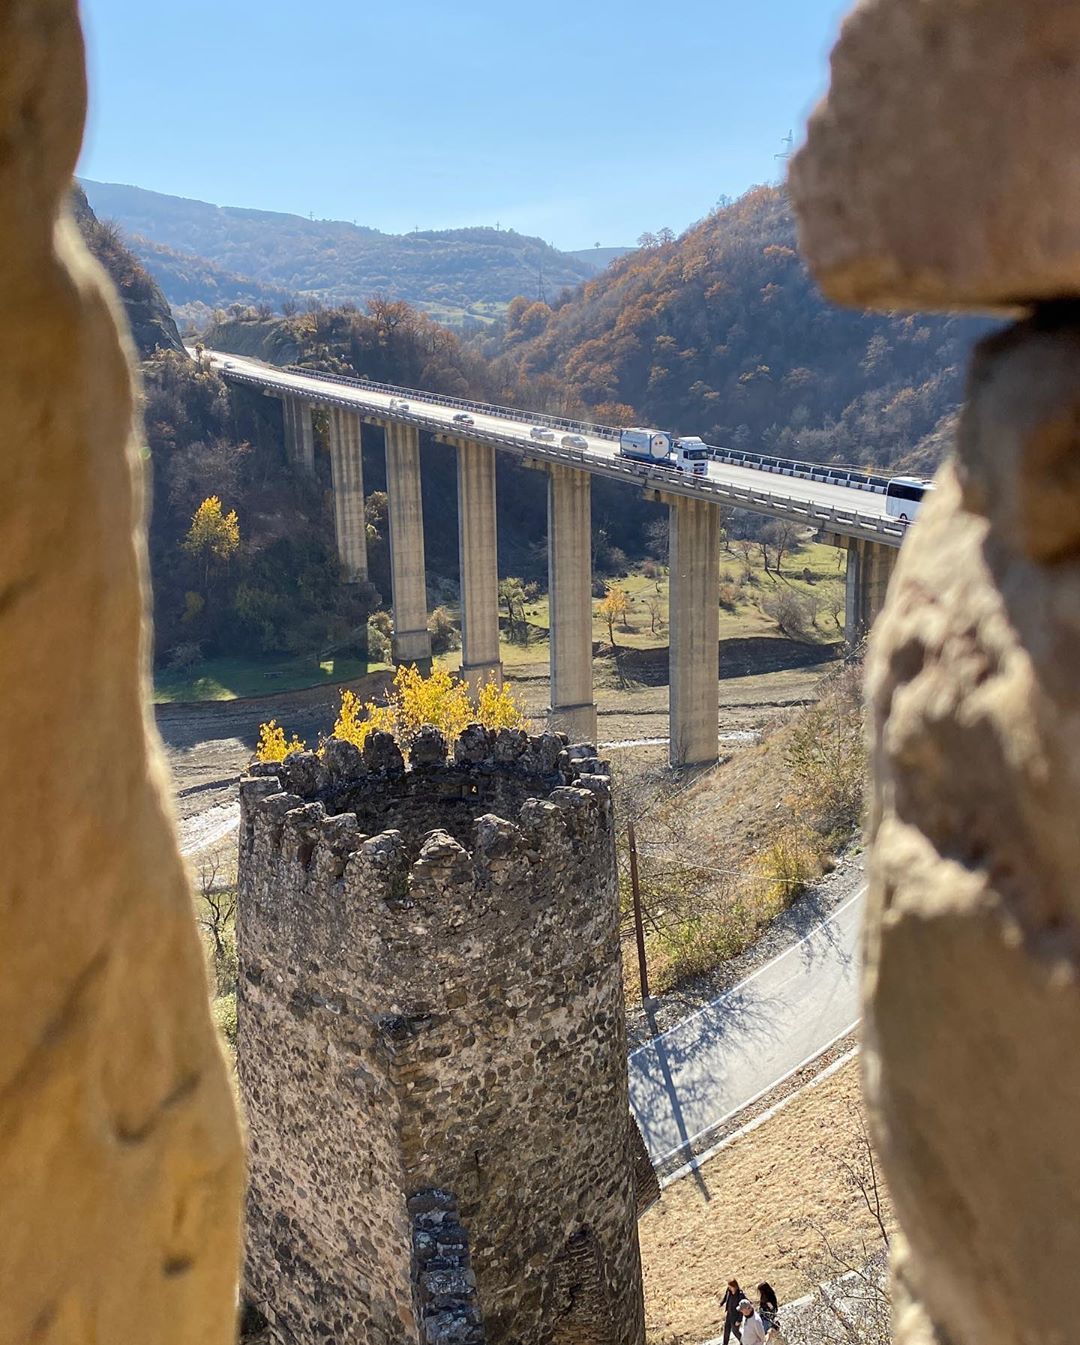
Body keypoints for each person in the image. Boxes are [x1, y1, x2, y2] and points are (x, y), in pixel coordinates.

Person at [720, 1279, 744, 1345]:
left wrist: (739, 1320)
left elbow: (742, 1309)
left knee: (735, 1331)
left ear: (735, 1286)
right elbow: (726, 1296)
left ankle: (743, 1342)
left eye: (731, 1287)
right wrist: (722, 1303)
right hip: (729, 1314)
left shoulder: (740, 1295)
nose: (729, 1288)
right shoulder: (729, 1291)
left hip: (735, 1316)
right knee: (726, 1330)